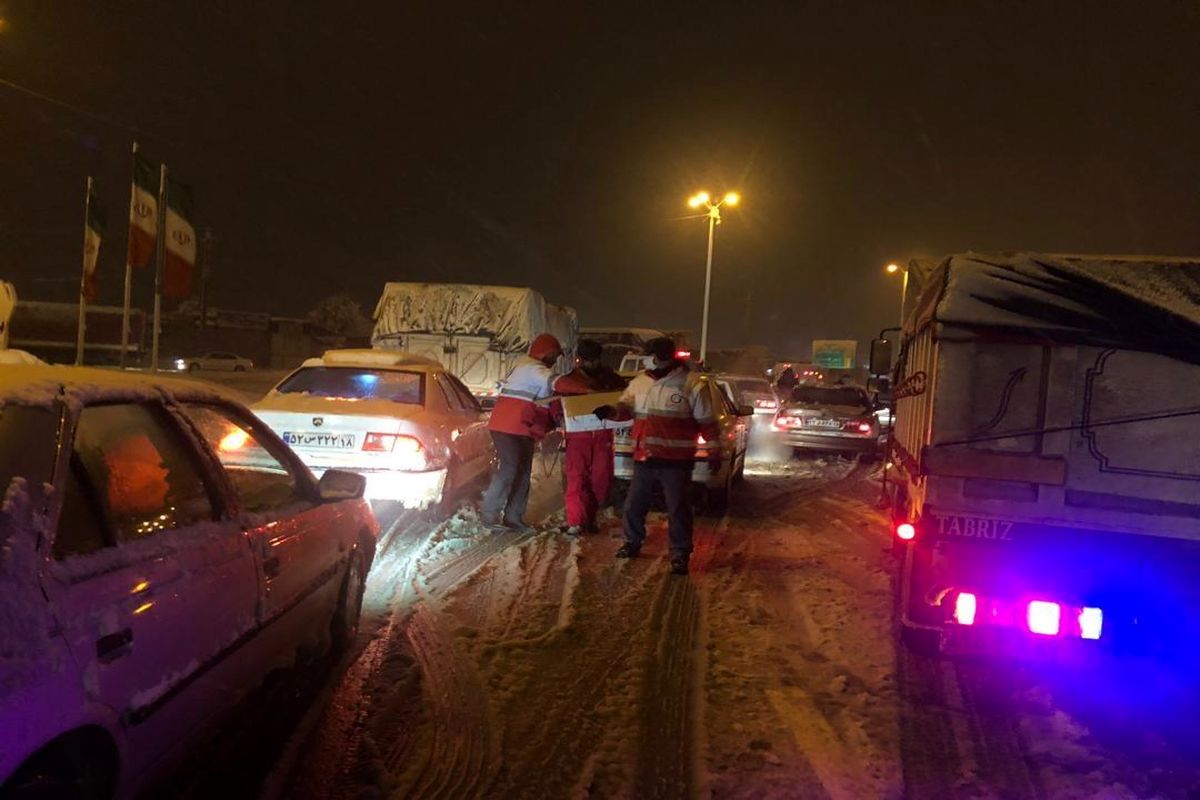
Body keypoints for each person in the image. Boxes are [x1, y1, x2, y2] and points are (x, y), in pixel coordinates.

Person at [594, 337, 719, 575]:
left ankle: (680, 552)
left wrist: (714, 450)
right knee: (634, 505)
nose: (645, 359)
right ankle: (632, 542)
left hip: (677, 460)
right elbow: (625, 408)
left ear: (660, 356)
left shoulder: (691, 384)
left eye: (648, 354)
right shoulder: (641, 383)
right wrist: (609, 411)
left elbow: (707, 423)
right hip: (645, 457)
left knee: (678, 508)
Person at [481, 333, 562, 532]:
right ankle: (488, 515)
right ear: (546, 353)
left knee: (524, 472)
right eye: (554, 356)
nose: (555, 360)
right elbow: (557, 383)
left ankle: (513, 517)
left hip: (522, 428)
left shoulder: (532, 368)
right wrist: (586, 389)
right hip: (507, 427)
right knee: (510, 468)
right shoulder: (533, 368)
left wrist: (543, 428)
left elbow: (541, 406)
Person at [552, 339, 627, 535]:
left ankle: (589, 518)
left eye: (593, 361)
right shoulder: (569, 380)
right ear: (579, 360)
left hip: (602, 436)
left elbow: (625, 398)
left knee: (601, 479)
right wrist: (559, 418)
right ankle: (576, 521)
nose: (590, 365)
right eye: (586, 361)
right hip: (578, 437)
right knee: (577, 478)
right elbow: (555, 404)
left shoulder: (611, 379)